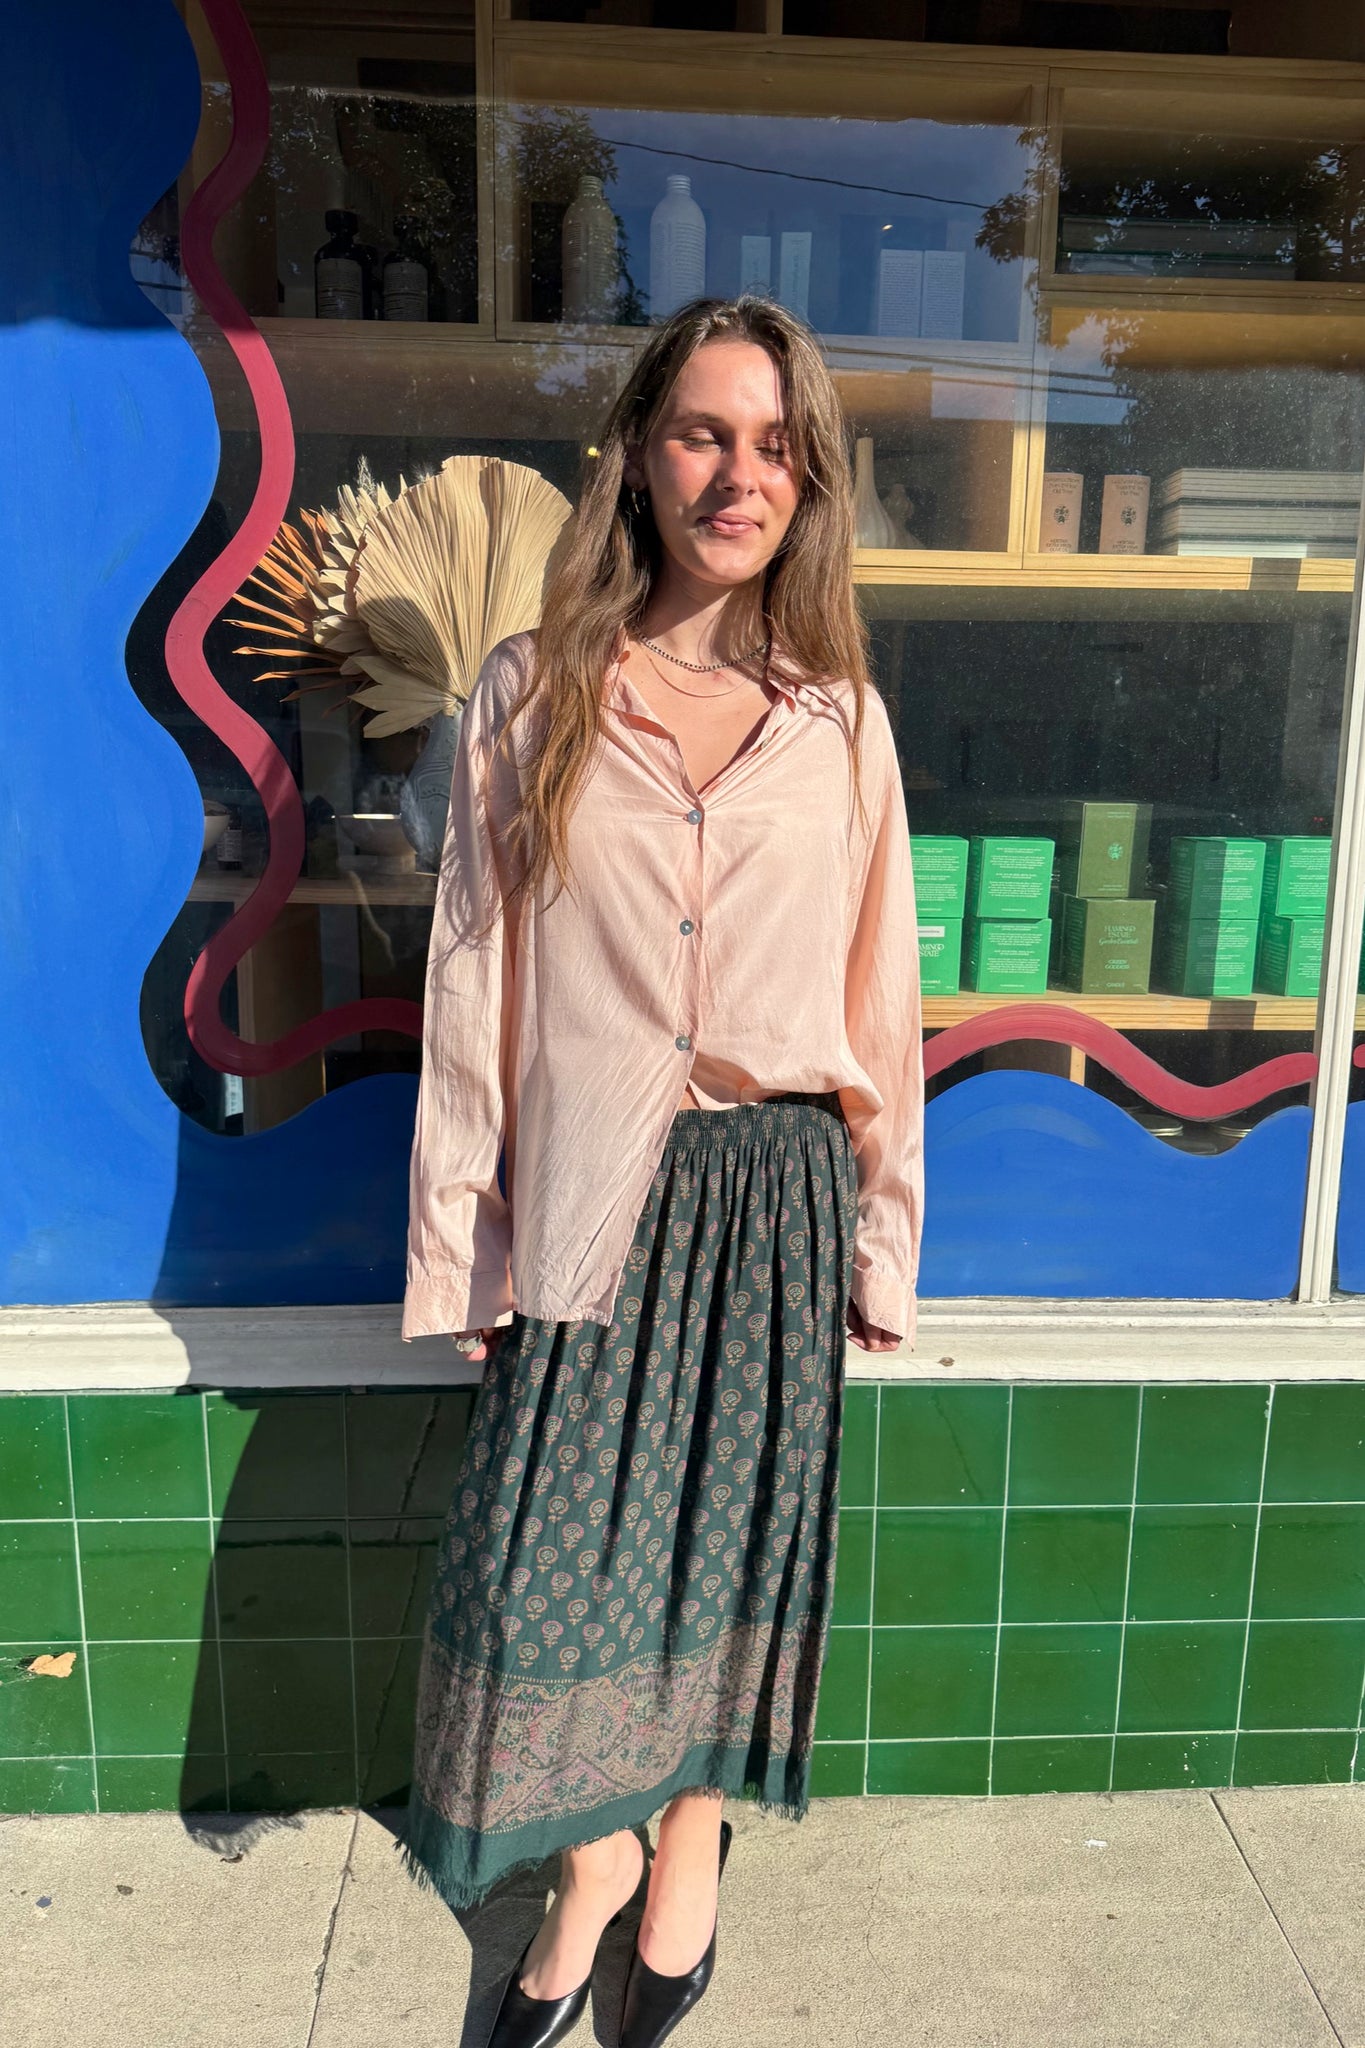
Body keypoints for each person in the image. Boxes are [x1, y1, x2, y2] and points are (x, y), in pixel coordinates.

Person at [398, 293, 924, 2048]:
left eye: (775, 447)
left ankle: (685, 1851)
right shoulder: (530, 692)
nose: (736, 477)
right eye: (704, 433)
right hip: (591, 1203)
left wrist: (882, 1243)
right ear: (635, 453)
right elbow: (474, 981)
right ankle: (593, 1859)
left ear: (809, 482)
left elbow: (881, 995)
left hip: (777, 1198)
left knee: (732, 1567)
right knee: (534, 1573)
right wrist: (464, 1240)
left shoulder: (837, 721)